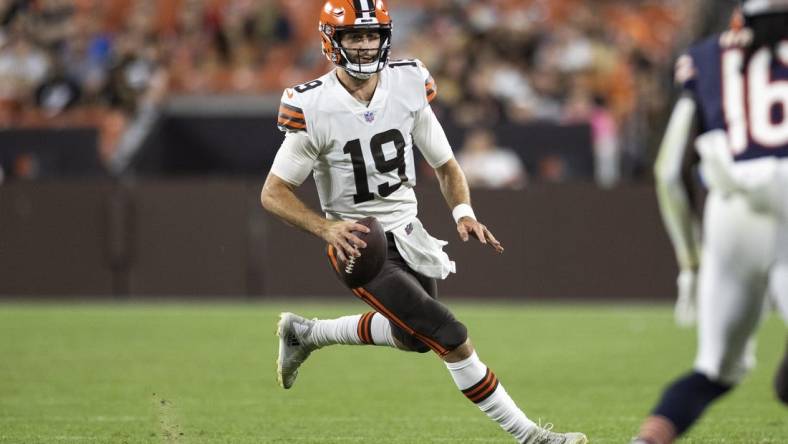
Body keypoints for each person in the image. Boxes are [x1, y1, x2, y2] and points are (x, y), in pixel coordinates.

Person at [259, 1, 587, 443]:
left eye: (372, 35)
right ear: (331, 41)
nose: (364, 45)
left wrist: (464, 212)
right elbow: (273, 192)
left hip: (409, 233)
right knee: (450, 334)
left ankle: (308, 332)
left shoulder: (407, 82)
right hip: (360, 244)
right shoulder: (313, 105)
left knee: (413, 336)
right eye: (354, 36)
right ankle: (530, 436)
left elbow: (447, 166)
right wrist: (326, 228)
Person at [632, 1, 788, 443]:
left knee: (714, 369)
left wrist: (690, 262)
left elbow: (668, 173)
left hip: (731, 210)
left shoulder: (706, 56)